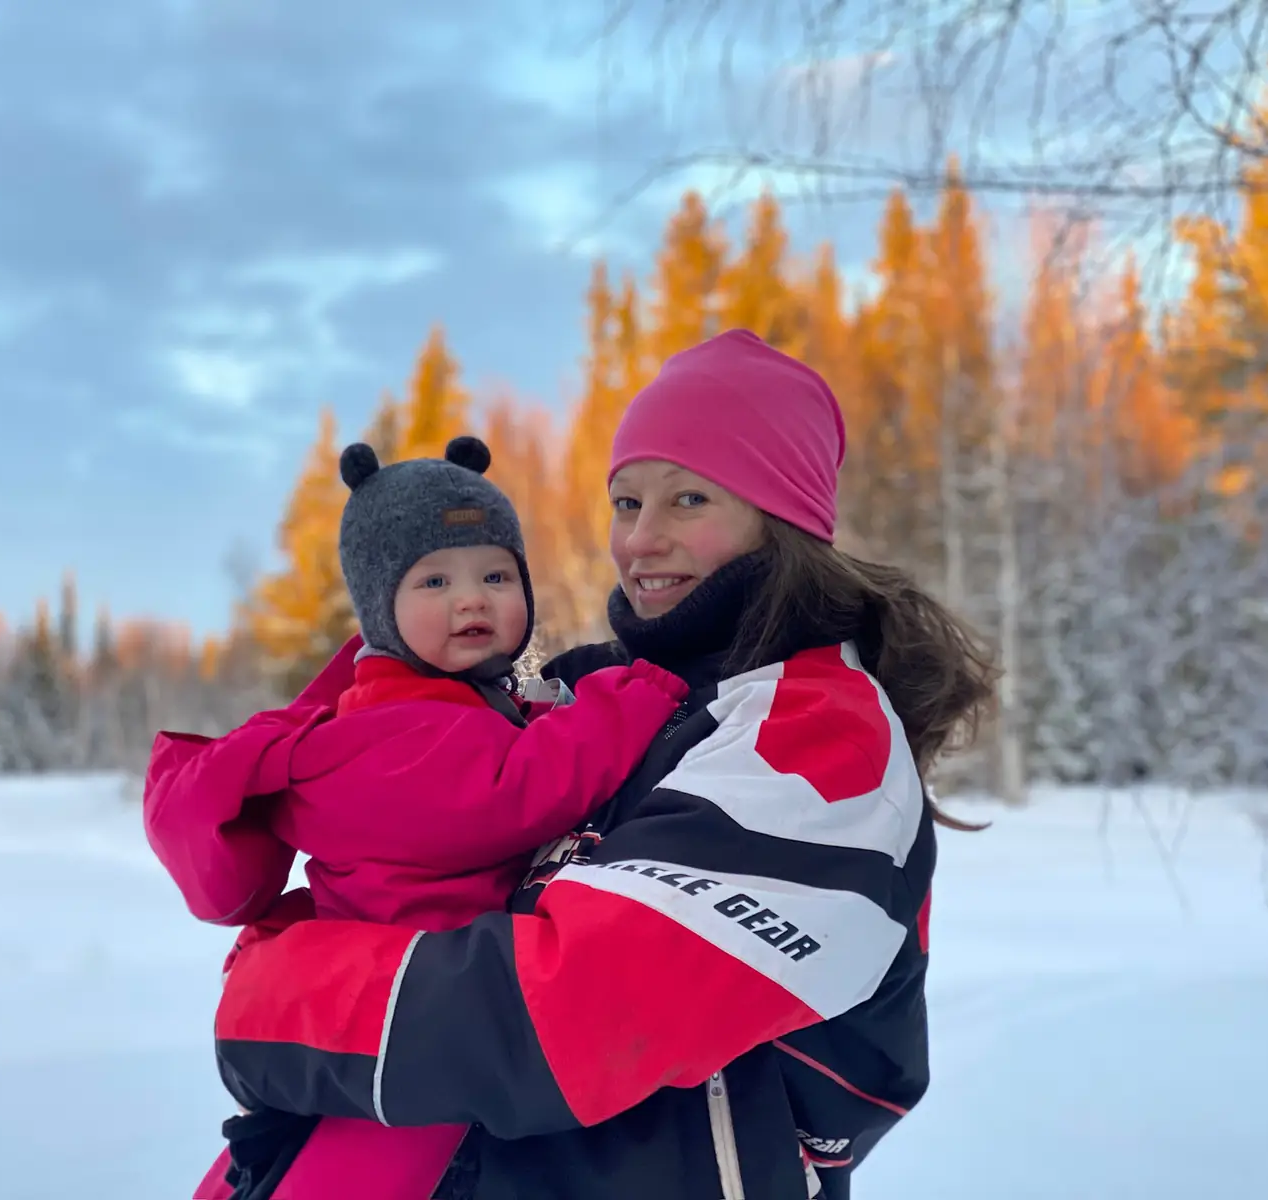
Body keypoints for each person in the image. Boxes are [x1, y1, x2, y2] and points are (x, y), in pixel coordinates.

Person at [204, 329, 998, 1199]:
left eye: (689, 499)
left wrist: (277, 1001)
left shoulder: (816, 737)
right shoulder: (619, 699)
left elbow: (570, 1015)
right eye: (626, 503)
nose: (640, 541)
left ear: (782, 522)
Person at [142, 436, 689, 1199]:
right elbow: (510, 794)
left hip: (434, 1004)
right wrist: (632, 696)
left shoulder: (454, 704)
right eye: (433, 580)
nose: (473, 599)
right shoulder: (383, 725)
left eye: (497, 575)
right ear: (380, 610)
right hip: (399, 1022)